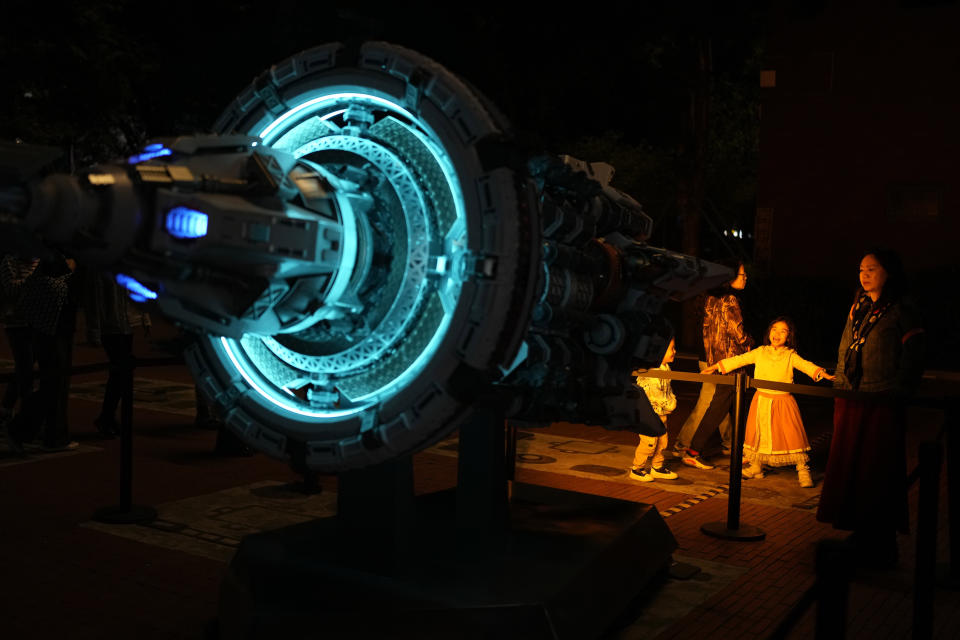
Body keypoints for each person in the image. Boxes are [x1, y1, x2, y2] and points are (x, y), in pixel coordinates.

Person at [816, 249, 924, 568]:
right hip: (852, 398)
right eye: (861, 269)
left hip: (880, 400)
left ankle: (881, 542)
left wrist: (900, 391)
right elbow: (844, 347)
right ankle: (860, 535)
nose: (864, 274)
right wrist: (840, 385)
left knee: (877, 470)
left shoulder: (902, 308)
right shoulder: (858, 307)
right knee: (851, 467)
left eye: (872, 269)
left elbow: (914, 354)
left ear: (888, 272)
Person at [703, 317, 834, 487]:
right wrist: (716, 366)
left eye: (783, 331)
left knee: (792, 435)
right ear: (769, 332)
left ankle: (803, 470)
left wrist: (821, 373)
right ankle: (756, 466)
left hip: (783, 401)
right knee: (759, 433)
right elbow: (739, 359)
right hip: (761, 400)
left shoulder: (790, 355)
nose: (777, 333)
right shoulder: (760, 351)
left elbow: (805, 365)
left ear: (789, 336)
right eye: (774, 329)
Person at [681, 261, 754, 470]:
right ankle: (694, 450)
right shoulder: (730, 300)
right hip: (731, 362)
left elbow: (708, 333)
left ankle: (734, 450)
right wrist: (752, 343)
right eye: (742, 274)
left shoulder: (710, 299)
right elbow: (738, 334)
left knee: (728, 406)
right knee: (721, 407)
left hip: (716, 360)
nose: (745, 277)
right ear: (729, 278)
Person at [84, 270, 151, 437]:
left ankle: (108, 416)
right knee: (120, 372)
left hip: (125, 321)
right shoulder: (101, 266)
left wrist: (145, 316)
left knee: (122, 373)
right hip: (112, 323)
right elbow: (94, 297)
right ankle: (107, 416)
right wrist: (94, 329)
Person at [629, 338, 680, 482]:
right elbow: (656, 396)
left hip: (661, 414)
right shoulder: (651, 373)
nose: (674, 351)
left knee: (662, 442)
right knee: (649, 442)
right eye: (671, 348)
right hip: (648, 415)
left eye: (674, 347)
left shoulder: (665, 368)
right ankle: (637, 468)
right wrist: (670, 404)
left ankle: (657, 467)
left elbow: (667, 391)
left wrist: (671, 400)